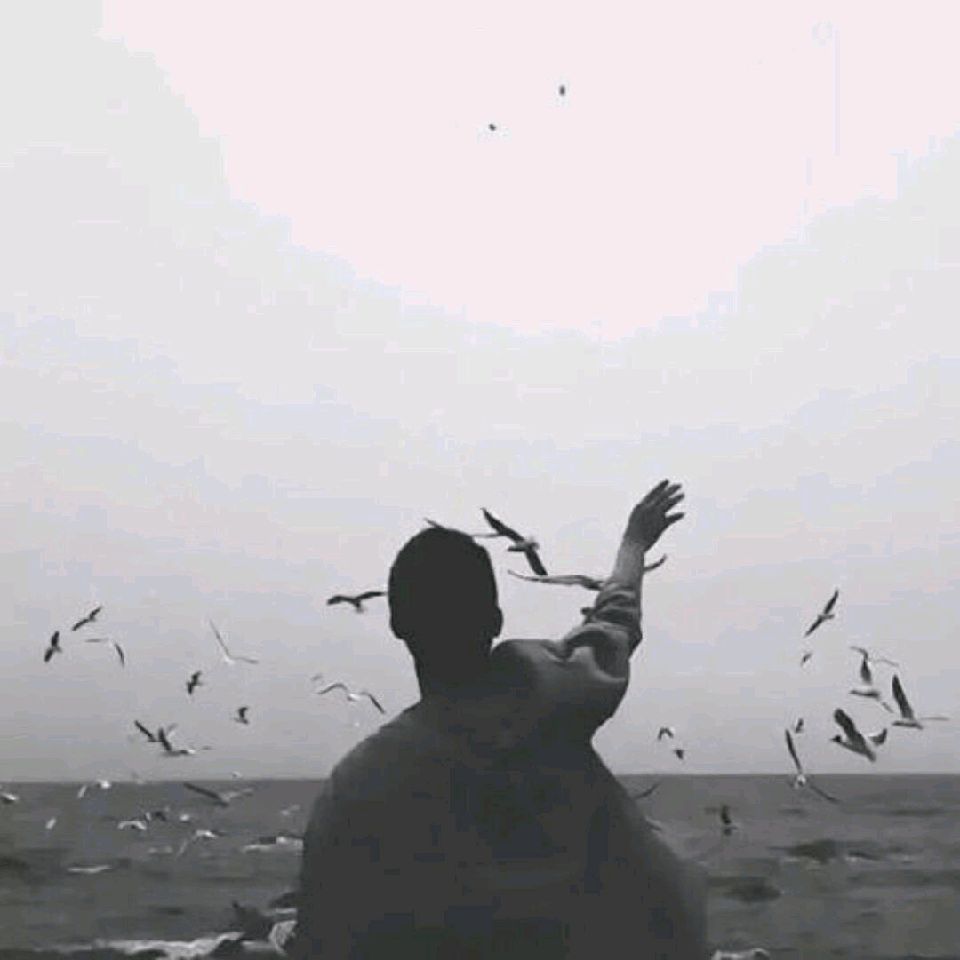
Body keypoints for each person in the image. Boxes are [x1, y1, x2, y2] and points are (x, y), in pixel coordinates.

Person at [289, 480, 707, 959]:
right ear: (496, 620)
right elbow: (614, 622)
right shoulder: (550, 692)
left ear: (396, 624)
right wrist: (634, 544)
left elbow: (326, 933)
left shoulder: (359, 785)